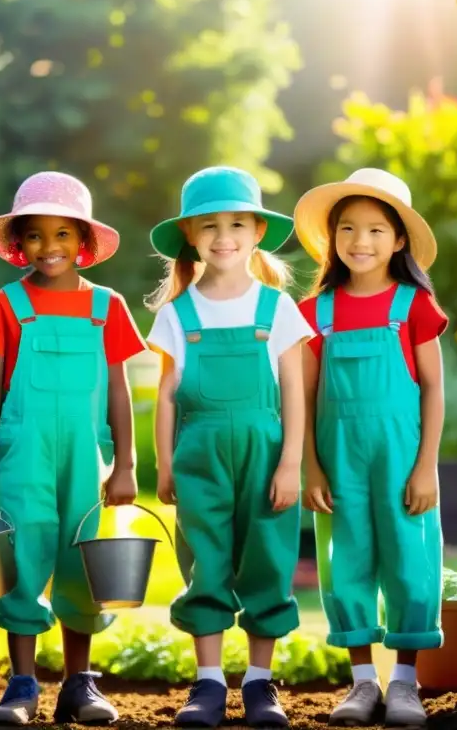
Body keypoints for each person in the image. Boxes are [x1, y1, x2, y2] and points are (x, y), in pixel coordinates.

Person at [0, 171, 146, 726]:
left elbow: (119, 388)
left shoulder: (106, 307)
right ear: (18, 242)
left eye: (63, 235)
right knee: (23, 558)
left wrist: (126, 464)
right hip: (22, 455)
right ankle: (21, 685)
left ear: (83, 242)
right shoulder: (7, 304)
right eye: (36, 236)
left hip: (85, 459)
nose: (49, 248)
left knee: (81, 558)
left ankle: (78, 684)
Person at [145, 166, 313, 728]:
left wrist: (292, 462)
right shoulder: (177, 313)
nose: (224, 236)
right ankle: (210, 683)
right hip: (200, 456)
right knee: (207, 559)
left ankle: (261, 684)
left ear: (258, 232)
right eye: (210, 225)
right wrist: (164, 464)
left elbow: (293, 388)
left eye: (237, 223)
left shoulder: (276, 307)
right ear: (190, 236)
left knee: (268, 558)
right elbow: (167, 395)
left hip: (267, 456)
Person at [294, 168, 448, 728]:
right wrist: (311, 464)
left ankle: (404, 683)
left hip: (403, 459)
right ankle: (362, 683)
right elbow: (304, 399)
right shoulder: (315, 313)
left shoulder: (415, 307)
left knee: (410, 560)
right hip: (339, 463)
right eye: (348, 229)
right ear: (332, 239)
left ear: (400, 239)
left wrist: (427, 465)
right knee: (347, 562)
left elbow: (433, 388)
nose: (361, 242)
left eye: (377, 230)